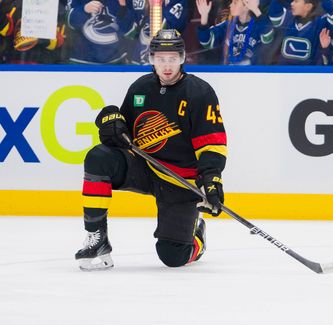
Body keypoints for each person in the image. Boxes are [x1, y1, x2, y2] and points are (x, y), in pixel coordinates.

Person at [75, 29, 227, 270]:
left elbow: (212, 143)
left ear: (182, 58)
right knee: (98, 157)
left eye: (172, 59)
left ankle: (196, 235)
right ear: (152, 59)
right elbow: (122, 135)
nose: (167, 66)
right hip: (145, 167)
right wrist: (108, 121)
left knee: (173, 257)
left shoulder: (200, 92)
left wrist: (211, 178)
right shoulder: (141, 88)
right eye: (161, 59)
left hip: (180, 181)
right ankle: (97, 238)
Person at [0, 0, 65, 63]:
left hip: (43, 66)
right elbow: (5, 30)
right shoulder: (19, 2)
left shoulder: (58, 9)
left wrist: (36, 38)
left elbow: (59, 42)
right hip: (15, 62)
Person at [196, 0, 274, 65]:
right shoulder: (227, 25)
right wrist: (204, 17)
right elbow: (207, 43)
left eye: (235, 2)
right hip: (228, 74)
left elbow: (268, 37)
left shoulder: (259, 26)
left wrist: (256, 10)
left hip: (251, 75)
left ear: (246, 6)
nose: (230, 5)